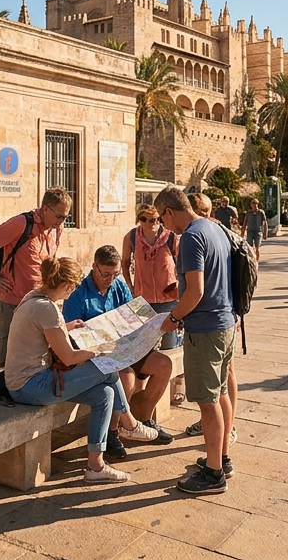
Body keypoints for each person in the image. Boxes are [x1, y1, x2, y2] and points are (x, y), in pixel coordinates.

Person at [4, 257, 160, 483]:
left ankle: (95, 467)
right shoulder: (47, 309)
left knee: (105, 395)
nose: (75, 289)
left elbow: (41, 332)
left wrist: (66, 327)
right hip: (30, 385)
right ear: (66, 285)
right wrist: (98, 350)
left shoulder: (34, 298)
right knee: (108, 368)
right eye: (74, 285)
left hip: (26, 381)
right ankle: (130, 423)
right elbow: (69, 357)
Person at [155, 186, 235, 495]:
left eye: (163, 219)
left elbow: (196, 290)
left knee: (207, 400)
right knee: (221, 392)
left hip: (204, 329)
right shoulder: (213, 228)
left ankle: (213, 474)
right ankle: (221, 457)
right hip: (224, 322)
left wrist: (173, 319)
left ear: (170, 212)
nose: (164, 226)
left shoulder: (189, 237)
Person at [63, 246, 175, 444]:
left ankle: (144, 419)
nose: (110, 279)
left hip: (126, 349)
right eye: (106, 274)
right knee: (127, 376)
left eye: (115, 274)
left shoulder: (119, 286)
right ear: (94, 267)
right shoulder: (78, 293)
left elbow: (134, 317)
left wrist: (153, 326)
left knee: (164, 364)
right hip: (97, 356)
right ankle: (113, 433)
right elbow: (70, 336)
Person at [0, 187, 70, 369]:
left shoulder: (56, 229)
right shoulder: (20, 223)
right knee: (6, 356)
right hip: (13, 300)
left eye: (65, 217)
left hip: (39, 303)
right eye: (59, 216)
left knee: (33, 355)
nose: (61, 222)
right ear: (45, 209)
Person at [122, 206, 181, 350]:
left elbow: (182, 263)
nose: (149, 223)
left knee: (169, 342)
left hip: (168, 297)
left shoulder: (171, 237)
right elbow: (124, 262)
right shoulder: (131, 237)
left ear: (159, 220)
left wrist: (180, 285)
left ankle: (169, 368)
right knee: (144, 342)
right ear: (139, 220)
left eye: (154, 219)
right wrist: (130, 285)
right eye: (144, 219)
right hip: (143, 297)